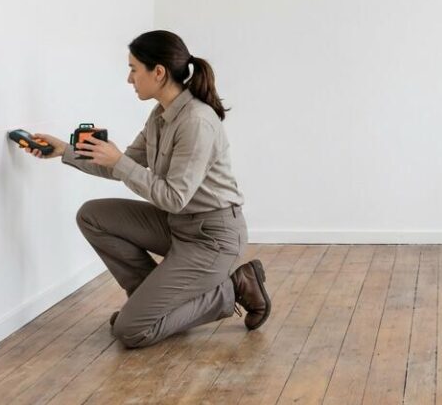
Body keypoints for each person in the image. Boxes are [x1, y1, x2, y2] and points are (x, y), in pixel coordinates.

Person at [22, 30, 270, 349]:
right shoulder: (160, 115)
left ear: (158, 72)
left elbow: (174, 197)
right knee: (92, 216)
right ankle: (146, 302)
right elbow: (123, 163)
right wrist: (63, 152)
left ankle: (234, 288)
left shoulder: (196, 121)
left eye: (134, 69)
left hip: (213, 238)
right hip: (178, 226)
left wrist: (119, 161)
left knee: (131, 331)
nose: (129, 79)